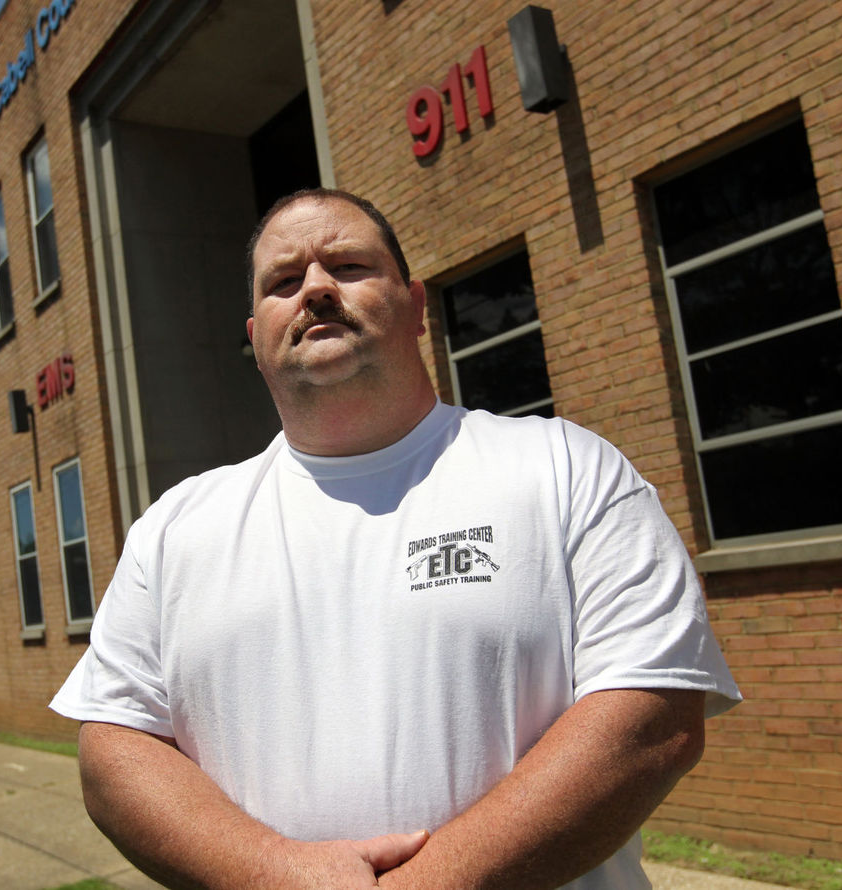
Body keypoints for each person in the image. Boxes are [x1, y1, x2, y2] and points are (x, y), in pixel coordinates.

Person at [50, 188, 740, 889]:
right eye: (285, 281)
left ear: (415, 306)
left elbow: (653, 716)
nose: (316, 288)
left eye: (347, 266)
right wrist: (276, 876)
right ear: (256, 336)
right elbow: (114, 751)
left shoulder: (564, 468)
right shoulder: (175, 529)